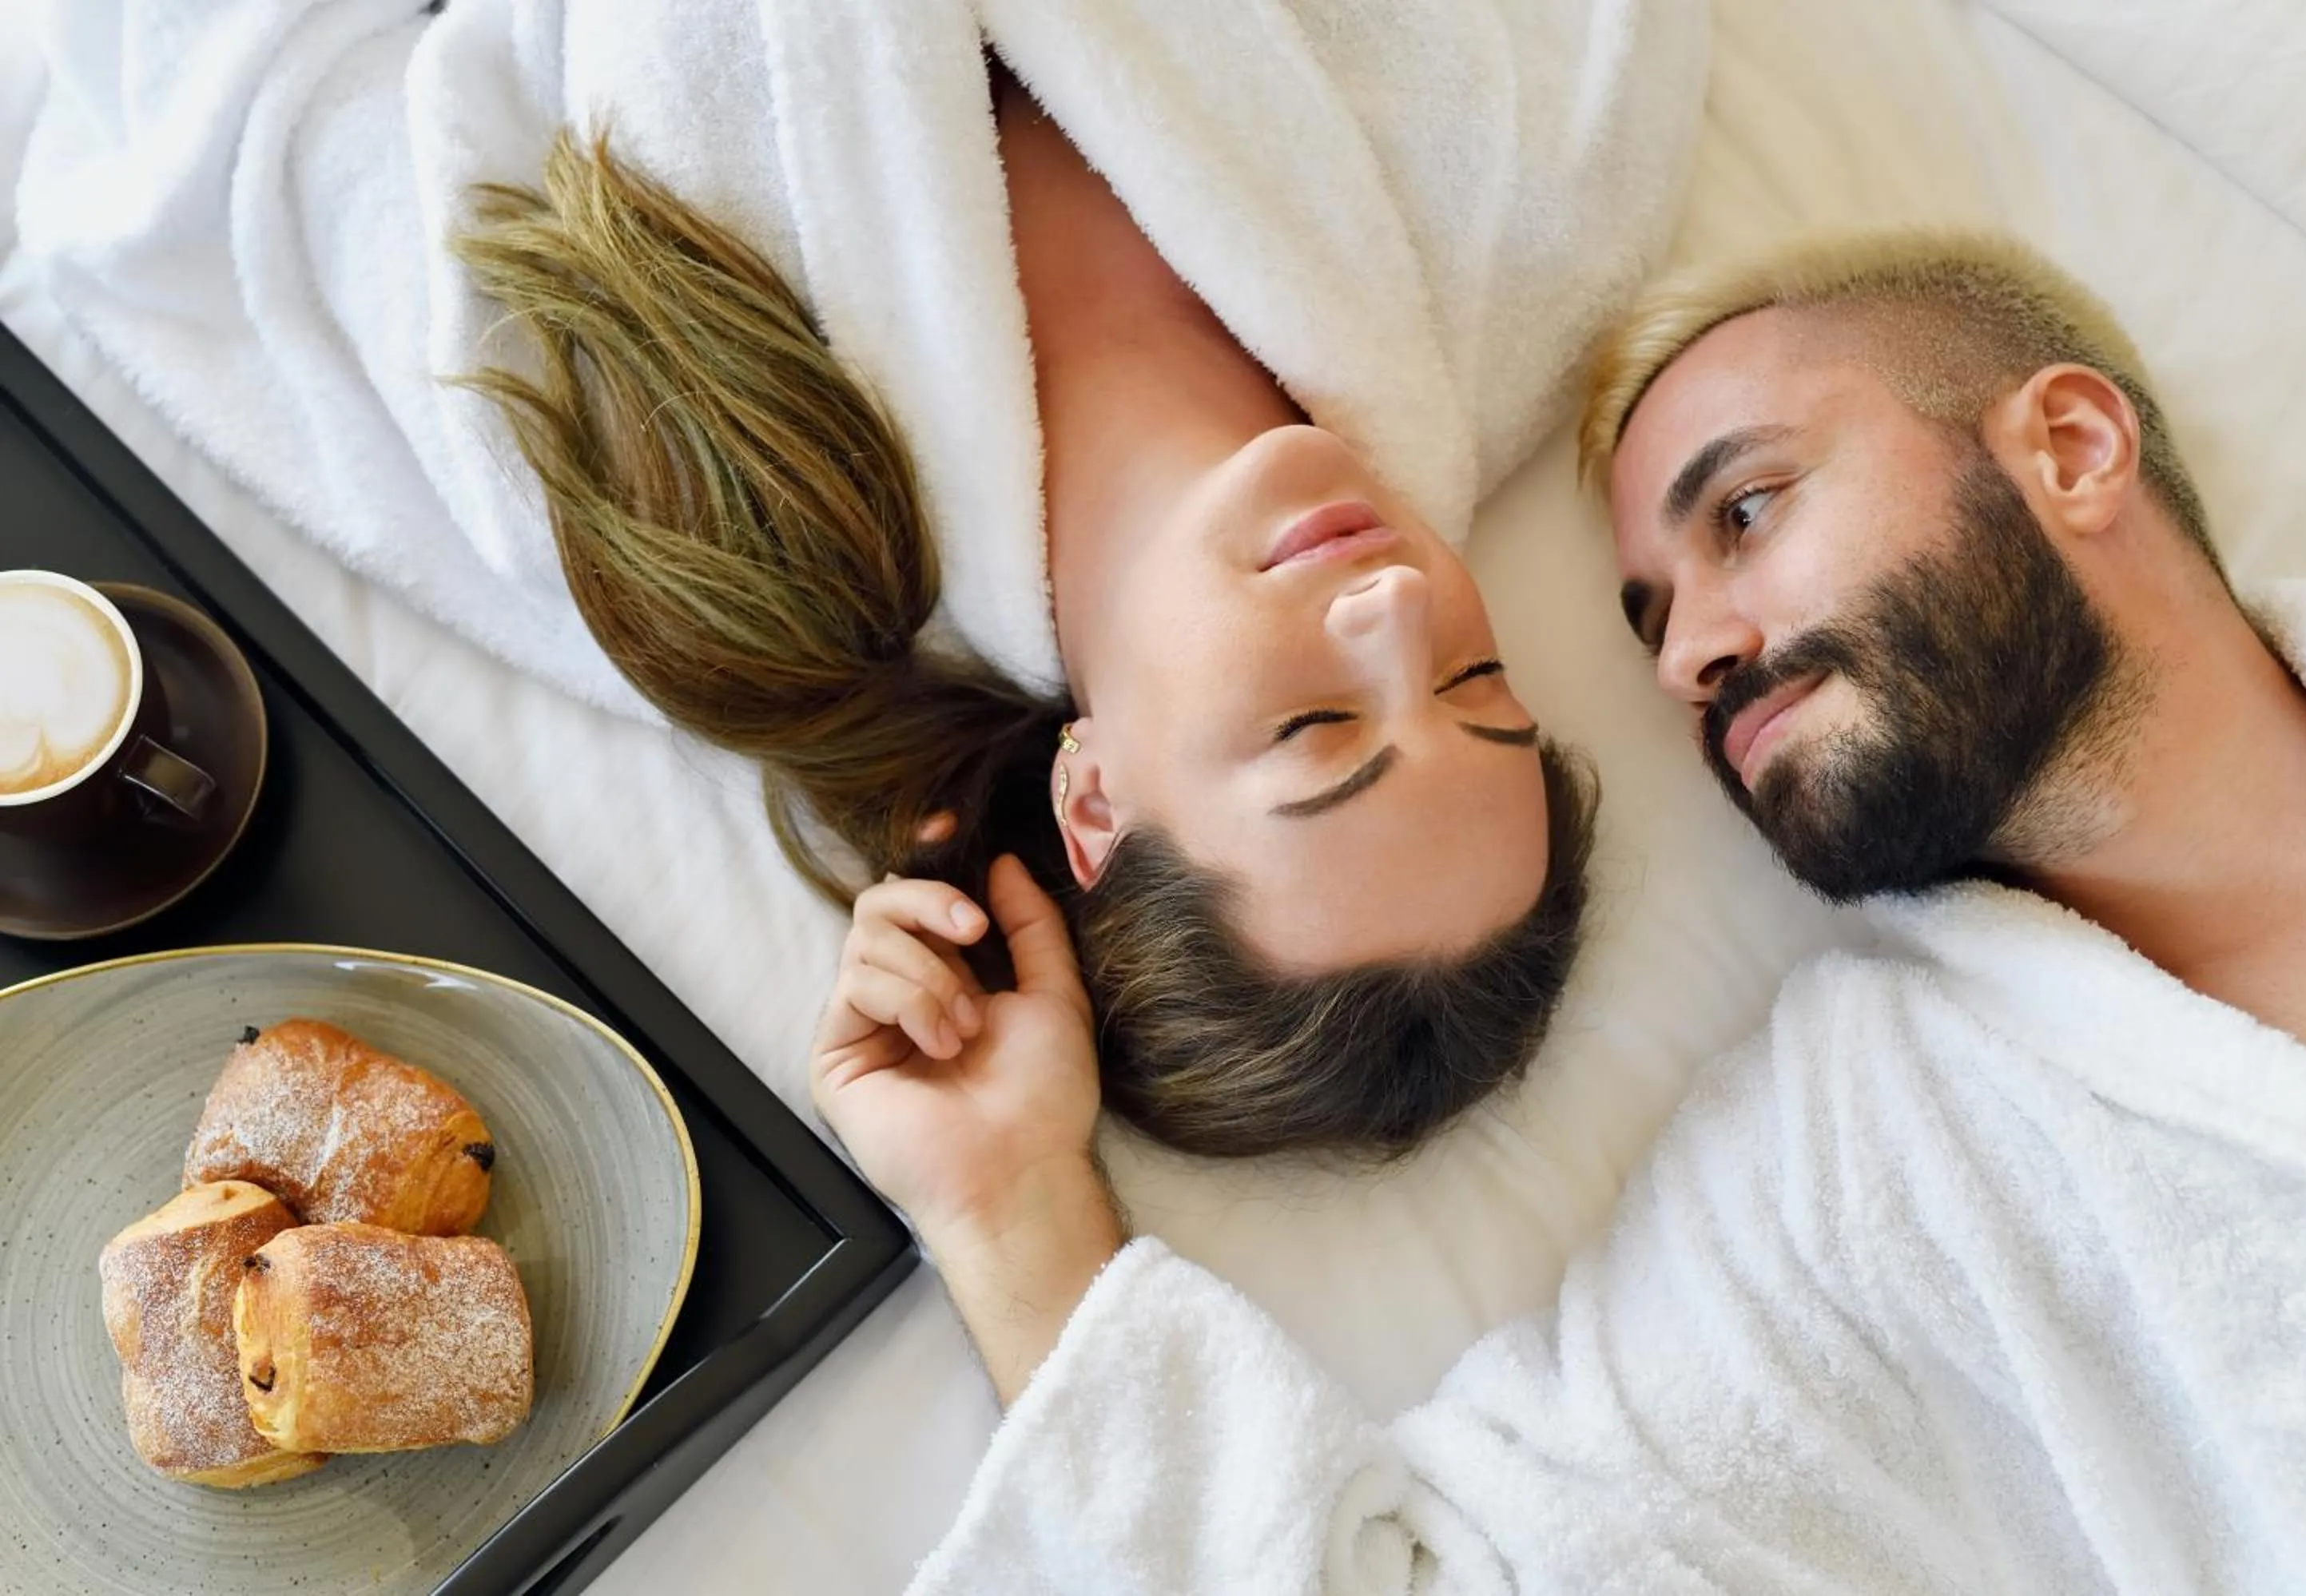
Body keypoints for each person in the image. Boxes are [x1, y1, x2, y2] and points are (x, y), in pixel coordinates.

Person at [814, 228, 2306, 1592]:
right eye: (1649, 617)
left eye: (1750, 511)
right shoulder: (1876, 1173)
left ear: (2067, 450)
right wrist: (1011, 1207)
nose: (1685, 657)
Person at [19, 0, 1710, 1155]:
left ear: (1100, 800)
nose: (1399, 608)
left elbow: (229, 149)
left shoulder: (735, 563)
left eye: (1319, 729)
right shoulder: (1528, 234)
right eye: (1483, 687)